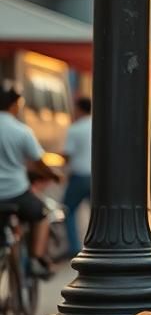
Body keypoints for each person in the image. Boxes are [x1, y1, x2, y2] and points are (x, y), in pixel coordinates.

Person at [0, 82, 61, 278]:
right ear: (14, 105)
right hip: (15, 192)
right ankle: (35, 259)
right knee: (42, 214)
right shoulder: (21, 131)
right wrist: (53, 175)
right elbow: (38, 162)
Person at [62, 96, 92, 257]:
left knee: (68, 210)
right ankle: (96, 244)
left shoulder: (75, 129)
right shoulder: (99, 126)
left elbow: (67, 155)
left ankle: (74, 246)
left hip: (79, 176)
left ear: (80, 109)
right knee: (98, 213)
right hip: (97, 177)